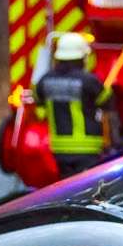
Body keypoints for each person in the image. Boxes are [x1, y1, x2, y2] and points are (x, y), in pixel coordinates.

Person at [35, 31, 112, 178]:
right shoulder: (89, 81)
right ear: (82, 57)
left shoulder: (45, 80)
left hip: (59, 149)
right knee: (87, 188)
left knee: (67, 189)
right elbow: (107, 103)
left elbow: (38, 102)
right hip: (87, 148)